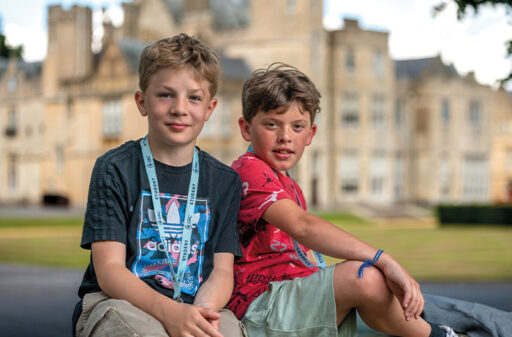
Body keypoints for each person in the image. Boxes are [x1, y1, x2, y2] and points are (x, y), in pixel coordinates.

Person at [226, 62, 459, 337]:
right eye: (272, 124)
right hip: (261, 306)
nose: (285, 137)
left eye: (297, 126)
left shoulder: (289, 184)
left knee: (374, 285)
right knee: (365, 276)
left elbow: (302, 250)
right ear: (246, 128)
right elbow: (303, 226)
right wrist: (384, 259)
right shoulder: (249, 169)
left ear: (310, 134)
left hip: (291, 297)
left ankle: (438, 332)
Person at [72, 33, 246, 337]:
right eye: (166, 95)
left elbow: (221, 270)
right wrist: (172, 314)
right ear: (142, 102)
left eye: (194, 98)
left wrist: (196, 315)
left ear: (210, 108)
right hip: (121, 301)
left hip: (195, 302)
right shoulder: (115, 168)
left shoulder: (225, 180)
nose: (180, 108)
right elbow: (110, 271)